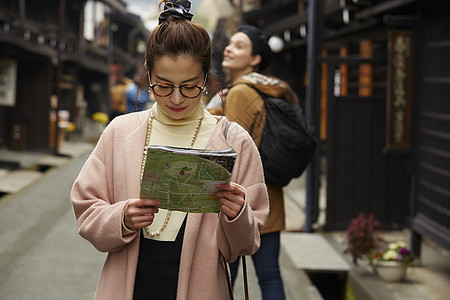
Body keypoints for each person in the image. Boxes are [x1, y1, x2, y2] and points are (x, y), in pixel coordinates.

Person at [70, 1, 269, 300]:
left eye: (189, 86)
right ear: (148, 76)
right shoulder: (121, 131)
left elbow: (246, 244)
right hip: (129, 283)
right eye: (163, 85)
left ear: (205, 79)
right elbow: (86, 208)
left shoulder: (234, 140)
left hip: (202, 285)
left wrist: (238, 213)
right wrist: (122, 217)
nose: (176, 98)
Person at [212, 24, 300, 300]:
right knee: (270, 274)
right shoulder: (272, 90)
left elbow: (228, 149)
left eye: (239, 46)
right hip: (270, 193)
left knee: (226, 276)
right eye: (230, 43)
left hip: (239, 198)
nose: (228, 48)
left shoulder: (239, 93)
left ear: (255, 59)